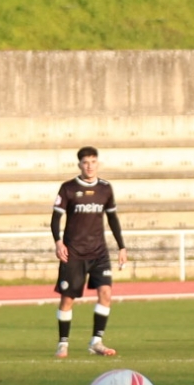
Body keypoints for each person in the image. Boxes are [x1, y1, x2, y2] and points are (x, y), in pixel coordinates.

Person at [51, 146, 127, 358]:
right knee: (68, 299)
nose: (90, 166)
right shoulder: (68, 188)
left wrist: (121, 246)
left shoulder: (105, 188)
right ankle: (63, 343)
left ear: (98, 163)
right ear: (79, 165)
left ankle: (96, 342)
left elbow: (112, 218)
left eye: (93, 161)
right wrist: (58, 242)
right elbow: (56, 218)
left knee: (106, 293)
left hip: (99, 252)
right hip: (73, 253)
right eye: (86, 162)